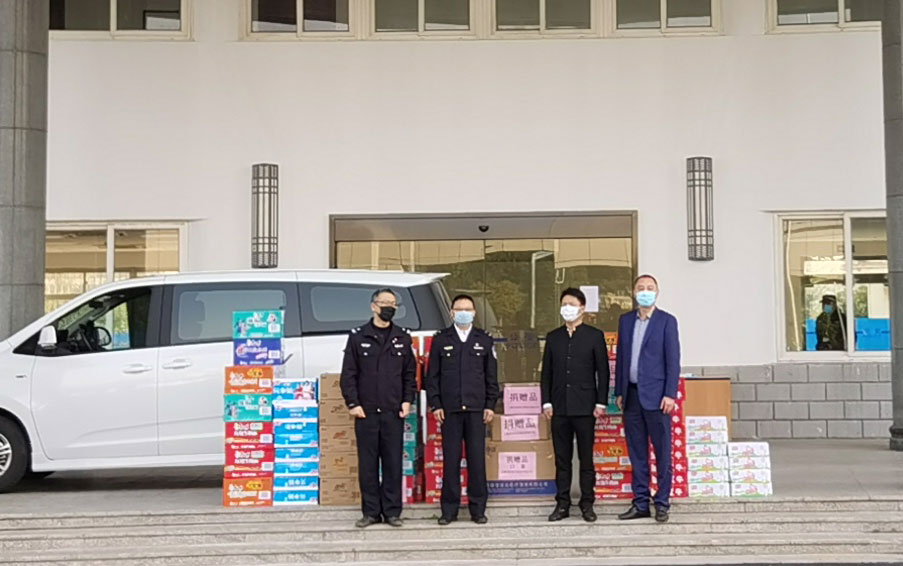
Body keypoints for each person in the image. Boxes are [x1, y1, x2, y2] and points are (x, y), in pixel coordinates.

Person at [340, 289, 417, 529]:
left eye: (393, 304)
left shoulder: (402, 338)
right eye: (384, 303)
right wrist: (353, 403)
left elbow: (409, 374)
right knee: (368, 464)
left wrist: (407, 400)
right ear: (373, 306)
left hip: (394, 411)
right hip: (367, 412)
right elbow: (348, 374)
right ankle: (371, 512)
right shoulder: (358, 337)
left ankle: (392, 512)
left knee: (393, 463)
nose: (389, 308)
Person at [426, 294, 499, 526]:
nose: (464, 313)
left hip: (477, 410)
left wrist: (490, 405)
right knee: (451, 460)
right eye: (459, 309)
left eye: (468, 309)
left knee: (477, 460)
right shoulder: (441, 340)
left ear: (474, 313)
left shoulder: (484, 340)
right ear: (452, 313)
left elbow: (491, 377)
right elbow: (432, 377)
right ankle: (449, 510)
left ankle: (478, 509)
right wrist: (436, 404)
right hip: (450, 410)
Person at [615, 274, 681, 523]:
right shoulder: (625, 321)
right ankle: (640, 502)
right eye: (641, 288)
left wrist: (670, 393)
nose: (645, 291)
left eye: (650, 288)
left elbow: (673, 360)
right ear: (633, 292)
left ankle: (662, 502)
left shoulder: (666, 321)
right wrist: (619, 391)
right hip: (631, 396)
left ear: (657, 292)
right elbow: (622, 357)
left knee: (662, 452)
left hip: (658, 398)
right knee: (637, 453)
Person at [541, 287, 609, 523]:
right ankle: (562, 503)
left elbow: (603, 372)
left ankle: (587, 503)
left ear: (582, 308)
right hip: (559, 407)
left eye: (571, 304)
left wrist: (601, 402)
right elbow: (546, 373)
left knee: (586, 459)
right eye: (564, 304)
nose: (567, 308)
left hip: (586, 406)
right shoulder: (554, 337)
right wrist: (546, 402)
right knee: (562, 459)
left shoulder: (594, 336)